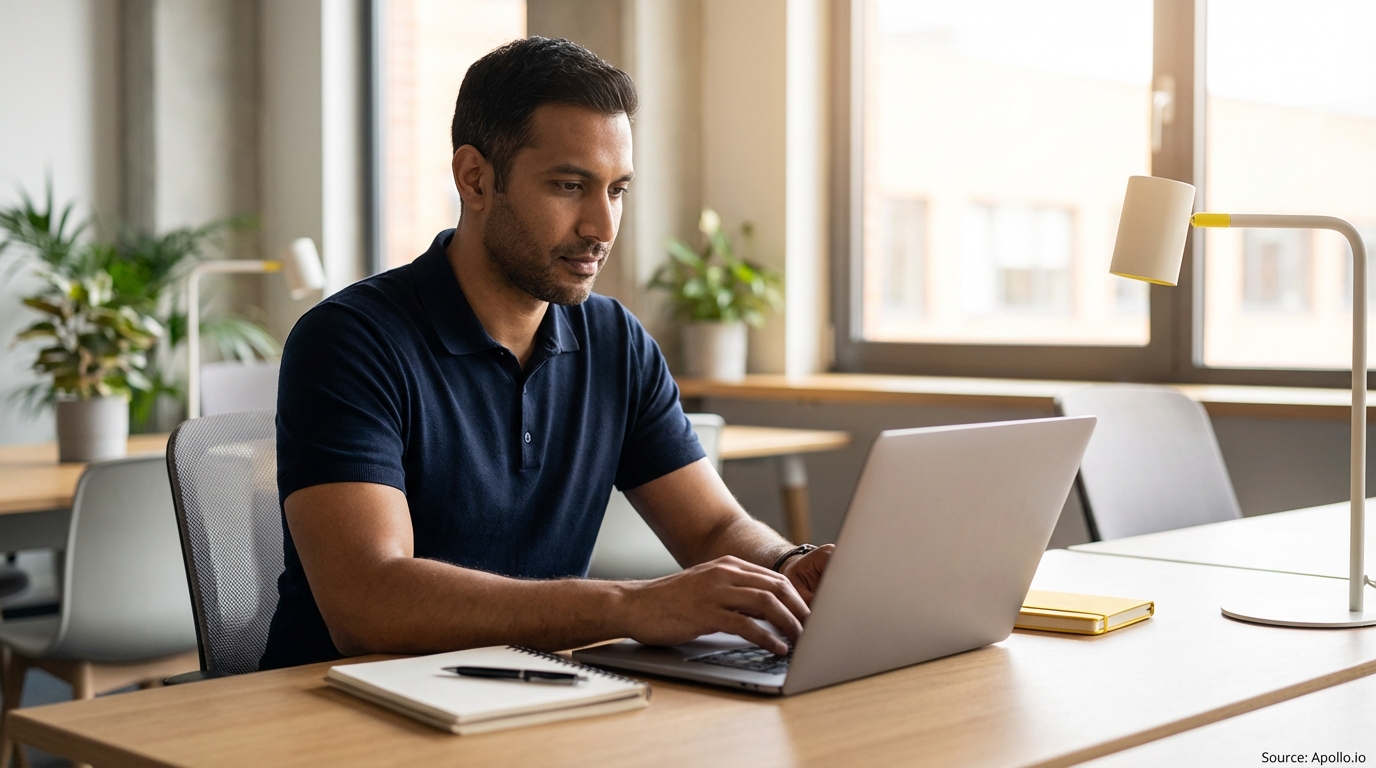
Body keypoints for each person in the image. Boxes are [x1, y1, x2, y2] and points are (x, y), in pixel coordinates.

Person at [260, 36, 832, 670]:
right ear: (474, 178)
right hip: (345, 715)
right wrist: (627, 606)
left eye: (616, 190)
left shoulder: (615, 342)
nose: (602, 226)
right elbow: (368, 604)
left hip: (530, 694)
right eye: (569, 185)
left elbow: (714, 530)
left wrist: (790, 565)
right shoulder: (349, 341)